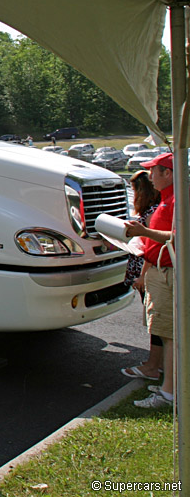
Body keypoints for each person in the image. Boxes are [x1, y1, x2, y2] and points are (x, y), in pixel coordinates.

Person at [123, 152, 176, 409]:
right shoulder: (167, 199)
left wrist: (142, 231)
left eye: (154, 170)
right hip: (158, 270)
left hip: (168, 274)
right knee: (166, 334)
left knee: (169, 334)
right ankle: (170, 387)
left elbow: (177, 236)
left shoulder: (177, 200)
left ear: (168, 173)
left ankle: (169, 395)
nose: (150, 176)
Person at [119, 169, 163, 380]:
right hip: (145, 266)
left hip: (146, 269)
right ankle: (160, 361)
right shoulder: (156, 209)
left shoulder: (151, 212)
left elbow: (151, 247)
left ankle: (153, 364)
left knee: (156, 319)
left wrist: (142, 276)